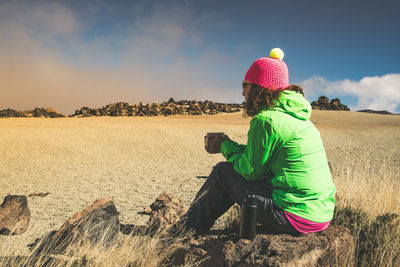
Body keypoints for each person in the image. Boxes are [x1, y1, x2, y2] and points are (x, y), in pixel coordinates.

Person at [174, 48, 336, 236]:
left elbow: (250, 171)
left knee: (222, 172)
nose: (242, 92)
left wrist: (224, 147)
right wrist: (229, 145)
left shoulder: (267, 120)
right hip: (320, 216)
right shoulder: (298, 117)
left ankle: (186, 231)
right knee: (230, 172)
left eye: (246, 85)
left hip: (295, 217)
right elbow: (262, 158)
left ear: (259, 87)